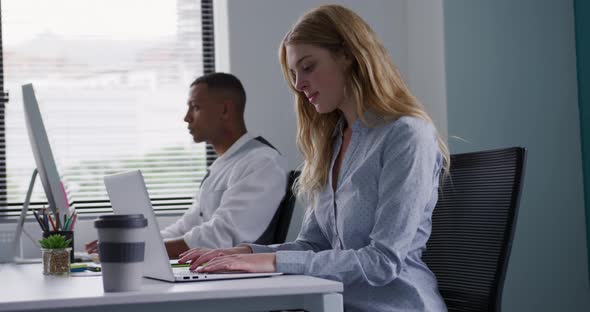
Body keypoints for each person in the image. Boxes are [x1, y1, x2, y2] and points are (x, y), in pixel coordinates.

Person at [178, 5, 450, 312]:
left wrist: (270, 260)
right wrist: (245, 252)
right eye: (293, 74)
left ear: (348, 55)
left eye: (308, 67)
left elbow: (382, 262)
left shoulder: (406, 134)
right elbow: (313, 245)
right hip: (331, 303)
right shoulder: (330, 143)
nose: (298, 84)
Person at [86, 72, 288, 259]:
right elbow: (187, 226)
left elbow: (219, 238)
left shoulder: (262, 163)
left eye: (195, 107)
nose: (187, 117)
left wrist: (137, 248)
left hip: (239, 281)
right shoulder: (224, 164)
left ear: (225, 110)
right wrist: (133, 241)